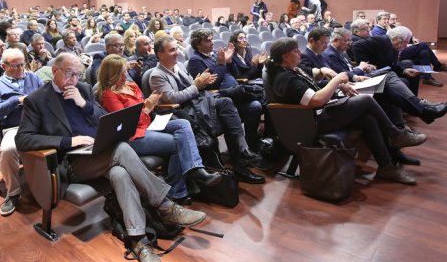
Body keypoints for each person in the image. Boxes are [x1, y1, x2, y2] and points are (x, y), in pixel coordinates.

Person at [15, 53, 207, 261]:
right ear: (55, 71)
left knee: (120, 174)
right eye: (69, 74)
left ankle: (138, 240)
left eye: (78, 75)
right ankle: (165, 206)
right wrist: (69, 142)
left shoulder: (83, 90)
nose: (74, 79)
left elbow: (104, 118)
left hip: (98, 153)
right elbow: (23, 139)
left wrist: (84, 104)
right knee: (122, 149)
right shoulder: (37, 100)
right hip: (73, 161)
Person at [266, 37, 428, 185]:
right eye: (295, 51)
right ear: (285, 56)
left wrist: (324, 71)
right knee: (365, 100)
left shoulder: (292, 69)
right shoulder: (285, 79)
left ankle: (386, 167)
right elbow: (316, 100)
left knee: (368, 119)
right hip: (310, 122)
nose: (300, 53)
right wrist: (336, 81)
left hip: (317, 114)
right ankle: (396, 135)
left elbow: (313, 75)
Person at [96, 54, 222, 201]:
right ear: (111, 75)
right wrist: (147, 109)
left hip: (148, 124)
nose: (125, 76)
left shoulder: (131, 86)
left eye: (125, 72)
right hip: (133, 135)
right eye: (121, 73)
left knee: (183, 124)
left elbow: (142, 108)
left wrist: (150, 103)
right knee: (179, 143)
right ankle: (179, 188)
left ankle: (194, 170)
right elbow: (126, 124)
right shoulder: (108, 95)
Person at [149, 36, 266, 184]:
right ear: (160, 54)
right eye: (172, 50)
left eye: (176, 49)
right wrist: (196, 85)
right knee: (228, 112)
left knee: (227, 104)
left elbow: (192, 86)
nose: (177, 53)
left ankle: (241, 155)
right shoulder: (157, 75)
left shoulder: (179, 67)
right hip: (184, 114)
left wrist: (202, 83)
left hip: (198, 104)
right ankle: (240, 161)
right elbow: (173, 99)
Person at [0, 48, 43, 216]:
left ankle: (56, 185)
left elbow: (47, 96)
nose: (21, 69)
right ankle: (13, 193)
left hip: (40, 124)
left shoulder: (34, 78)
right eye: (15, 66)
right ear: (4, 66)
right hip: (16, 127)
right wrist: (16, 101)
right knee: (8, 150)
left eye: (22, 64)